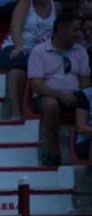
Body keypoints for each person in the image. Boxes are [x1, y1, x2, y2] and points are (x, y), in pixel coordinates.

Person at [29, 14, 90, 166]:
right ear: (61, 29)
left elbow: (85, 83)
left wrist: (81, 99)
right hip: (47, 96)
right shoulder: (39, 51)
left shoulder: (80, 51)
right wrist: (60, 95)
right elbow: (36, 84)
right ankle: (54, 152)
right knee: (51, 105)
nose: (79, 34)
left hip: (75, 97)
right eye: (74, 30)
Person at [0, 0, 57, 120]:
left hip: (42, 53)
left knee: (23, 69)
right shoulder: (25, 3)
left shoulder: (56, 6)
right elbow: (15, 25)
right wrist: (19, 46)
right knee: (21, 66)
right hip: (18, 48)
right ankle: (15, 110)